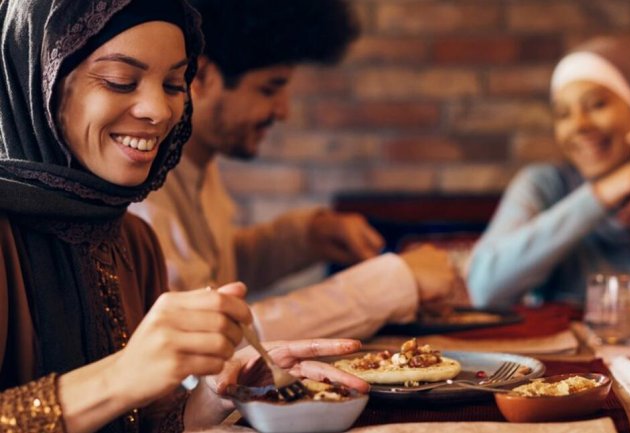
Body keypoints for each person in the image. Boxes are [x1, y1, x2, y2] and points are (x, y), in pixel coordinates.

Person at [0, 1, 367, 432]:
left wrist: (216, 391)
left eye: (174, 83)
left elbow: (142, 423)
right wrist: (121, 376)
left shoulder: (132, 240)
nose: (159, 110)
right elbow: (121, 388)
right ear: (36, 85)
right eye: (121, 81)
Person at [130, 0, 461, 341]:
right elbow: (203, 341)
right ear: (200, 77)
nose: (283, 110)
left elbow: (210, 274)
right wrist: (394, 282)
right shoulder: (142, 187)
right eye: (269, 89)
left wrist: (306, 237)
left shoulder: (197, 163)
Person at [467, 36, 630, 308]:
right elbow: (483, 287)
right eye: (563, 114)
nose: (579, 126)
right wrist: (600, 195)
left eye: (597, 105)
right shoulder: (545, 184)